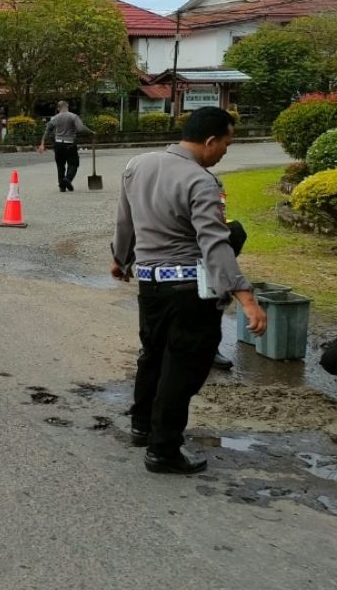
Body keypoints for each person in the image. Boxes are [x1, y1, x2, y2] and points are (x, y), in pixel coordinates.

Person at [111, 106, 267, 475]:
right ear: (210, 141)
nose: (224, 153)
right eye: (225, 145)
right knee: (181, 368)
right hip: (188, 291)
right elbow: (214, 243)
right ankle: (163, 451)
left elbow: (125, 218)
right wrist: (246, 298)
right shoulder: (201, 181)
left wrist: (121, 257)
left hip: (150, 286)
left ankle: (142, 426)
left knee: (153, 354)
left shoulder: (138, 164)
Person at [37, 101, 93, 191]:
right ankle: (67, 179)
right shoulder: (73, 116)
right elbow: (81, 128)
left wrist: (42, 144)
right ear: (67, 106)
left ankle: (62, 186)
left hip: (58, 144)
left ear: (58, 109)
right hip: (70, 144)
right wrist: (91, 132)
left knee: (60, 165)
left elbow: (47, 131)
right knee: (73, 163)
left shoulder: (54, 118)